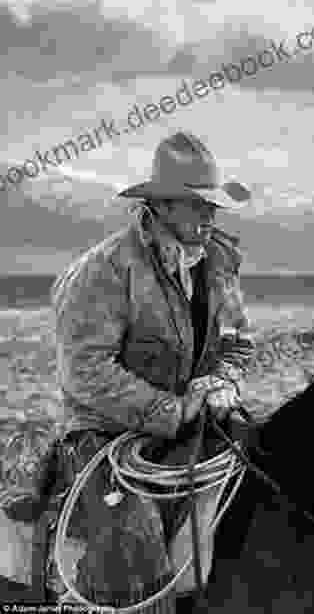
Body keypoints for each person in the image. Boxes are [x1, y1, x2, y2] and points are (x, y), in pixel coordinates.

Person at [50, 131, 256, 612]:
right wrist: (172, 410)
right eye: (197, 205)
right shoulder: (105, 269)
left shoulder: (218, 261)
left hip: (198, 420)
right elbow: (85, 370)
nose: (210, 215)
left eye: (213, 206)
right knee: (133, 537)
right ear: (162, 205)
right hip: (104, 433)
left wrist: (222, 383)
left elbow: (238, 342)